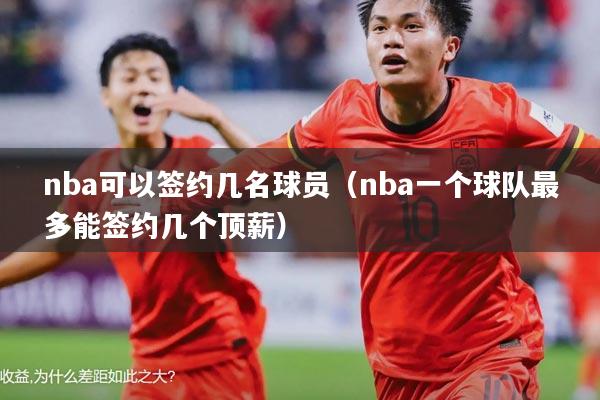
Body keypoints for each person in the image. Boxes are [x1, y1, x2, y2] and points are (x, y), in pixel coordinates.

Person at [123, 0, 600, 398]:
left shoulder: (498, 112)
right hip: (397, 369)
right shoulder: (343, 114)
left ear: (450, 47)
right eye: (379, 28)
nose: (392, 39)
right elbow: (259, 167)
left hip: (491, 353)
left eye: (411, 26)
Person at [0, 33, 266, 400]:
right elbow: (59, 243)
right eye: (129, 77)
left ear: (171, 96)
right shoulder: (96, 172)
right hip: (150, 363)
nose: (143, 87)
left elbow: (272, 179)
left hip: (218, 357)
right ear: (106, 96)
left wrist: (217, 119)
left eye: (155, 78)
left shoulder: (203, 155)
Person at [532, 176, 600, 400]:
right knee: (592, 335)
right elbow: (541, 243)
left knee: (595, 333)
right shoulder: (561, 200)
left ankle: (586, 390)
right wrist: (556, 259)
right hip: (581, 279)